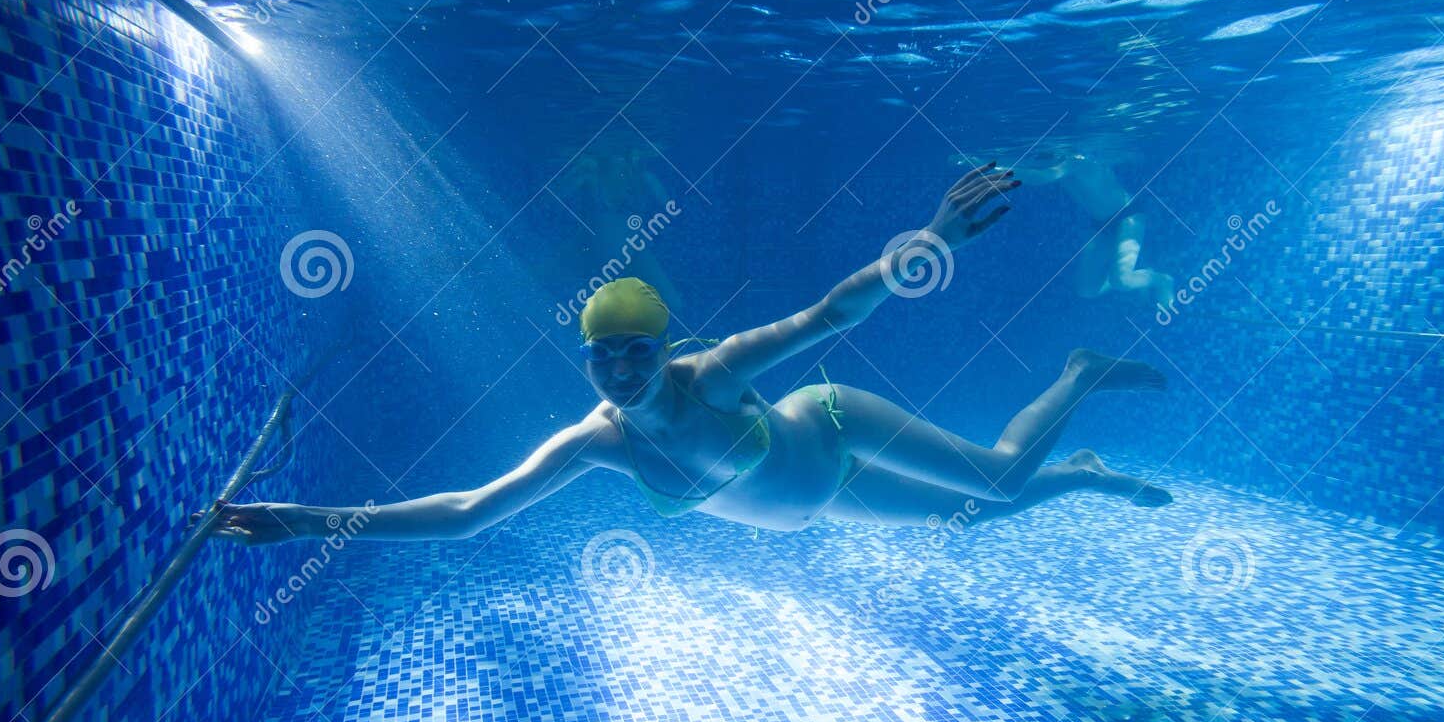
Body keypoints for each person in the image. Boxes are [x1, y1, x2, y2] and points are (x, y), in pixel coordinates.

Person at [202, 165, 1171, 545]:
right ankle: (1082, 475)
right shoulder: (594, 443)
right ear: (587, 364)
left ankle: (1079, 373)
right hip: (817, 499)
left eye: (635, 352)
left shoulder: (711, 372)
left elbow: (832, 314)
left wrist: (928, 237)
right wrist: (304, 519)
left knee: (995, 483)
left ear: (662, 350)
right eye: (601, 357)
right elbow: (464, 513)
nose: (619, 370)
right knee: (968, 514)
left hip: (826, 430)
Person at [1019, 148, 1174, 309]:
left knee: (1121, 281)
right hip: (1100, 224)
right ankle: (1134, 274)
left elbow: (1041, 176)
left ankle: (1161, 280)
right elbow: (1034, 171)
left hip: (1128, 215)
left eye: (1043, 155)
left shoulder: (1073, 162)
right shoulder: (1056, 164)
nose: (1040, 160)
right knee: (1087, 290)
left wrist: (996, 172)